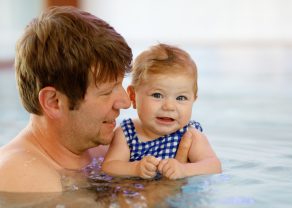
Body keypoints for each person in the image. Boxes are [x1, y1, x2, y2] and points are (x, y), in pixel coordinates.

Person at [0, 7, 192, 193]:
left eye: (120, 85)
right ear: (54, 102)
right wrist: (167, 190)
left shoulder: (110, 147)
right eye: (107, 92)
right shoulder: (21, 174)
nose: (125, 102)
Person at [102, 43, 222, 180]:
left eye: (181, 98)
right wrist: (135, 168)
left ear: (193, 100)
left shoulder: (189, 134)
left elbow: (214, 165)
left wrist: (184, 169)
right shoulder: (126, 133)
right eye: (157, 95)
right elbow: (109, 166)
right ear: (133, 96)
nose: (169, 106)